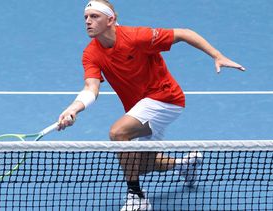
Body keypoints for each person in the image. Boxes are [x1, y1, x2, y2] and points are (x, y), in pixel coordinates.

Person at [58, 0, 245, 210]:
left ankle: (137, 195)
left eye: (94, 16)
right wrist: (73, 108)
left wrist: (217, 56)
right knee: (142, 165)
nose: (88, 21)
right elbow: (91, 88)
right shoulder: (90, 53)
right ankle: (184, 165)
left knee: (118, 133)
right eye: (86, 17)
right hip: (141, 107)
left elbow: (183, 33)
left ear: (111, 19)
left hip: (166, 99)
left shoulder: (137, 37)